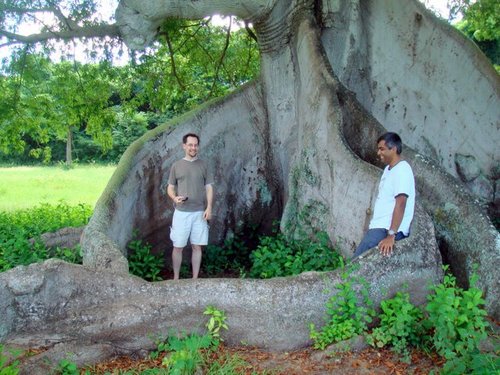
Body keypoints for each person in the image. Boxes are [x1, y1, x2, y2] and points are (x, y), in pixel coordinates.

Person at [354, 132, 415, 258]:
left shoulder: (402, 169)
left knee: (354, 267)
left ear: (394, 149)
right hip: (379, 228)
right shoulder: (388, 170)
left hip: (386, 230)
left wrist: (391, 235)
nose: (378, 153)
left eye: (382, 149)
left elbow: (401, 202)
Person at [167, 133, 214, 279]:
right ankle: (176, 278)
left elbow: (209, 188)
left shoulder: (204, 165)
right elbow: (170, 187)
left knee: (197, 246)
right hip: (181, 213)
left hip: (199, 212)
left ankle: (194, 280)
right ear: (184, 146)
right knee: (178, 247)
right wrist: (175, 198)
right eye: (190, 145)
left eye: (195, 145)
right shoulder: (176, 166)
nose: (193, 148)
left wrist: (209, 207)